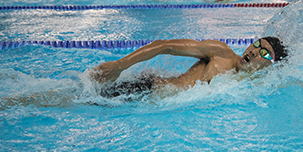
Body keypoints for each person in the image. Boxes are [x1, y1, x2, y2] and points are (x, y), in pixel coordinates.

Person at [89, 37, 288, 97]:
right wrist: (119, 65)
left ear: (270, 66)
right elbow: (164, 45)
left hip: (155, 107)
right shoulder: (221, 53)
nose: (254, 51)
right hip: (144, 90)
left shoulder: (259, 88)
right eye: (256, 44)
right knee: (74, 99)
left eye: (264, 53)